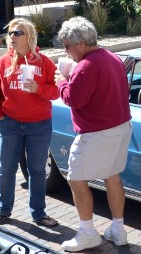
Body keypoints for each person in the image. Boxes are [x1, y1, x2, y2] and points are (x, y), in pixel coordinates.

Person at [55, 17, 132, 252]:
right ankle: (118, 230)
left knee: (75, 179)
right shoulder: (112, 57)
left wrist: (62, 81)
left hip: (97, 132)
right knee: (112, 176)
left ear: (79, 43)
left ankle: (88, 233)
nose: (67, 52)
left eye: (67, 46)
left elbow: (74, 99)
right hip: (120, 127)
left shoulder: (87, 66)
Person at [0, 18, 59, 228]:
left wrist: (38, 89)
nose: (12, 37)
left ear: (29, 37)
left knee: (37, 170)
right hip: (10, 123)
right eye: (11, 33)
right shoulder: (4, 61)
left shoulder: (44, 62)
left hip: (39, 124)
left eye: (17, 33)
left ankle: (39, 213)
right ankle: (3, 210)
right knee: (6, 169)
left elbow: (56, 91)